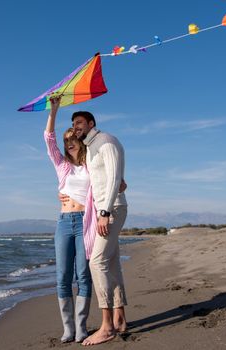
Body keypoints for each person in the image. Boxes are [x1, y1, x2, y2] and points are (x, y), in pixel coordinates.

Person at [69, 111, 129, 346]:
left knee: (97, 262)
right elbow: (109, 179)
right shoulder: (91, 147)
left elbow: (114, 179)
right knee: (112, 262)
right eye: (73, 124)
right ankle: (120, 319)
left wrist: (104, 212)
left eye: (80, 123)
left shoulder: (106, 141)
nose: (76, 127)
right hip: (104, 210)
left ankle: (106, 326)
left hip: (110, 210)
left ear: (91, 123)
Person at [43, 96, 95, 343]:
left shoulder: (90, 165)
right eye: (66, 140)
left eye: (73, 138)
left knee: (83, 275)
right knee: (63, 276)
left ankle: (81, 326)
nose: (69, 142)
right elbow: (48, 139)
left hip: (85, 222)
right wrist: (53, 110)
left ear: (79, 140)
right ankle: (68, 328)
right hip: (64, 223)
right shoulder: (62, 166)